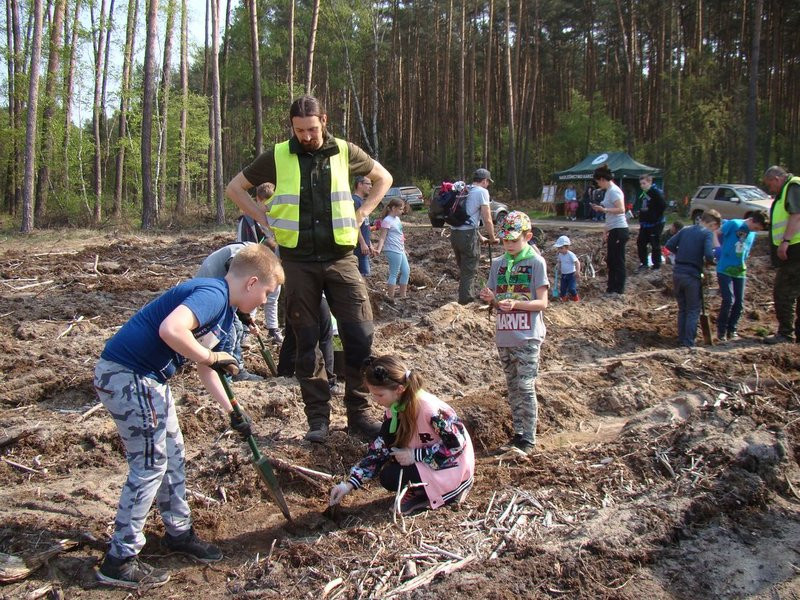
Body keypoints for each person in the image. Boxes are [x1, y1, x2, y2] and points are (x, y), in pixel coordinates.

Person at [94, 244, 283, 588]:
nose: (264, 301)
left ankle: (178, 532)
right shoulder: (213, 294)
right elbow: (172, 330)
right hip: (129, 376)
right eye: (267, 293)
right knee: (150, 465)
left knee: (173, 455)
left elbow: (206, 365)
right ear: (252, 283)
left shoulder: (225, 312)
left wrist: (234, 412)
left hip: (151, 380)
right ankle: (118, 561)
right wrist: (211, 358)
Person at [225, 95, 393, 442]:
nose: (306, 136)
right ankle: (318, 419)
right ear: (292, 127)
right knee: (306, 341)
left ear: (324, 121)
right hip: (297, 261)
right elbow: (235, 188)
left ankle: (359, 414)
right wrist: (260, 217)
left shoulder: (344, 151)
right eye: (299, 130)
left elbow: (383, 178)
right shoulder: (277, 155)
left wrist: (363, 213)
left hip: (341, 258)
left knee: (360, 335)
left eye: (312, 129)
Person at [328, 354, 474, 516]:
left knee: (393, 475)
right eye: (372, 394)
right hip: (425, 463)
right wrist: (349, 484)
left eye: (379, 395)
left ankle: (443, 491)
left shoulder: (431, 410)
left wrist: (416, 455)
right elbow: (380, 449)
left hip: (452, 468)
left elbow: (457, 445)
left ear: (399, 389)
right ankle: (421, 489)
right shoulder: (394, 411)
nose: (375, 400)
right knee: (388, 476)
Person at [479, 212, 549, 455]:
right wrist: (491, 299)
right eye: (505, 240)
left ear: (528, 237)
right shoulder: (498, 263)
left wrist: (516, 304)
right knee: (513, 387)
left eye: (514, 240)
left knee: (526, 386)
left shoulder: (536, 262)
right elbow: (496, 300)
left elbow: (542, 303)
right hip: (505, 334)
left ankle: (528, 439)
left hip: (527, 335)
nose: (508, 245)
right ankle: (518, 434)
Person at [196, 242, 266, 382]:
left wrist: (248, 321)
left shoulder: (250, 257)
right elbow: (239, 285)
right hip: (210, 294)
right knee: (229, 333)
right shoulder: (243, 254)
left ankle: (237, 369)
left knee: (238, 328)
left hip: (222, 294)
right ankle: (227, 373)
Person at [664, 210, 721, 348]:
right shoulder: (706, 233)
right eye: (715, 228)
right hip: (692, 274)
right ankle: (688, 342)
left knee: (683, 309)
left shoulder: (685, 230)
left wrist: (681, 255)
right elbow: (709, 255)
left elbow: (669, 245)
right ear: (713, 224)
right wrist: (712, 262)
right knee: (693, 310)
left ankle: (681, 339)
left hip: (678, 273)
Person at [714, 212, 768, 341]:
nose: (755, 231)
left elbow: (746, 249)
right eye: (756, 227)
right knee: (728, 300)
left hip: (740, 270)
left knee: (739, 302)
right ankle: (721, 331)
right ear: (752, 220)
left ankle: (732, 330)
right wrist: (718, 248)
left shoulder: (752, 233)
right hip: (725, 268)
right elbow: (715, 233)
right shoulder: (734, 224)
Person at [762, 166, 800, 344]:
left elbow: (796, 215)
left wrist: (785, 241)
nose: (771, 189)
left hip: (795, 250)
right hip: (795, 248)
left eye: (770, 185)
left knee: (783, 291)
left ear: (777, 179)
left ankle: (785, 333)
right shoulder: (790, 189)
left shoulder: (792, 187)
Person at [450, 168, 498, 304]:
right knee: (469, 270)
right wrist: (492, 237)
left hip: (455, 234)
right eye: (488, 182)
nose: (488, 185)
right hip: (467, 236)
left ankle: (465, 297)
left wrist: (480, 237)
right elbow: (487, 218)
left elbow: (467, 217)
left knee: (464, 269)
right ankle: (466, 302)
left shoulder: (465, 189)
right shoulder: (482, 192)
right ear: (484, 181)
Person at [590, 165, 629, 295]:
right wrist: (605, 231)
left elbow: (621, 209)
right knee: (611, 260)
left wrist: (604, 209)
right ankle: (611, 287)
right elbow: (610, 216)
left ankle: (619, 289)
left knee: (618, 260)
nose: (598, 184)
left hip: (619, 229)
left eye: (598, 182)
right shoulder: (608, 191)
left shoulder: (614, 191)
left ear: (602, 179)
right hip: (613, 229)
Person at [375, 198, 410, 300]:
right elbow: (382, 237)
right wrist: (379, 249)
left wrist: (404, 248)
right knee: (394, 273)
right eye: (400, 209)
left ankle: (403, 296)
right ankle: (391, 297)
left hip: (400, 249)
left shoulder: (397, 219)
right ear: (393, 208)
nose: (402, 211)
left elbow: (400, 235)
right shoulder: (387, 221)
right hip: (392, 249)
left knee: (406, 271)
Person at [636, 174, 667, 272]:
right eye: (641, 184)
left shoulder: (656, 192)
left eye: (644, 183)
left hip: (655, 223)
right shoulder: (644, 193)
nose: (642, 186)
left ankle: (656, 265)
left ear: (650, 182)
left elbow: (662, 205)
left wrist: (654, 216)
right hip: (645, 223)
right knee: (641, 242)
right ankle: (644, 263)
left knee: (655, 243)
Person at [352, 175, 375, 277]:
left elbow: (365, 225)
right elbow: (354, 224)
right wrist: (362, 243)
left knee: (365, 275)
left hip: (364, 246)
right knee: (363, 276)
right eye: (368, 184)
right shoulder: (354, 201)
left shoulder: (362, 202)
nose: (371, 186)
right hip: (358, 248)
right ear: (360, 185)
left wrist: (369, 244)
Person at [553, 235, 581, 301]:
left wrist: (577, 271)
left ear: (567, 247)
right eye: (558, 248)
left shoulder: (570, 254)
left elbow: (577, 262)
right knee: (563, 288)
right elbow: (559, 261)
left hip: (571, 274)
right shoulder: (560, 254)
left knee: (571, 288)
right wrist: (558, 266)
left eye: (561, 248)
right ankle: (563, 299)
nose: (559, 250)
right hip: (564, 274)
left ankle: (575, 297)